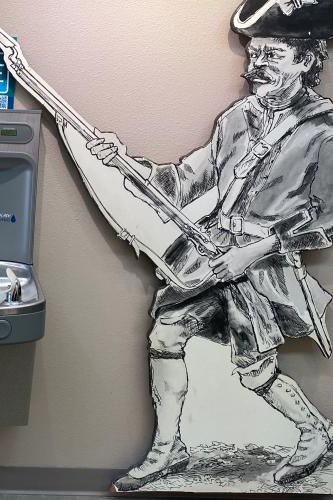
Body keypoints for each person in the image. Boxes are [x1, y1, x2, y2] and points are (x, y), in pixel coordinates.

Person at [87, 0, 333, 491]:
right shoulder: (237, 119)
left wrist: (257, 248)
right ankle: (167, 448)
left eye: (271, 56)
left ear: (307, 60)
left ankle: (314, 432)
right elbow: (182, 182)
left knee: (255, 369)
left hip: (262, 265)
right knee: (165, 337)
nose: (254, 67)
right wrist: (125, 162)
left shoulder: (324, 131)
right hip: (210, 253)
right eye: (254, 54)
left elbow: (327, 218)